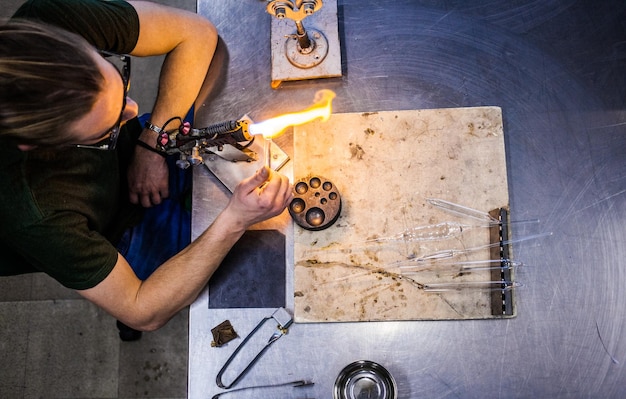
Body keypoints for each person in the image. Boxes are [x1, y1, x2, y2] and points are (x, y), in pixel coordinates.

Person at [0, 0, 292, 337]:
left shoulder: (47, 23)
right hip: (112, 234)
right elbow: (142, 309)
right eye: (107, 130)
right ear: (37, 144)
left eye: (120, 84)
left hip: (141, 154)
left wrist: (151, 144)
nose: (133, 109)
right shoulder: (32, 213)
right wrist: (234, 220)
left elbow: (195, 33)